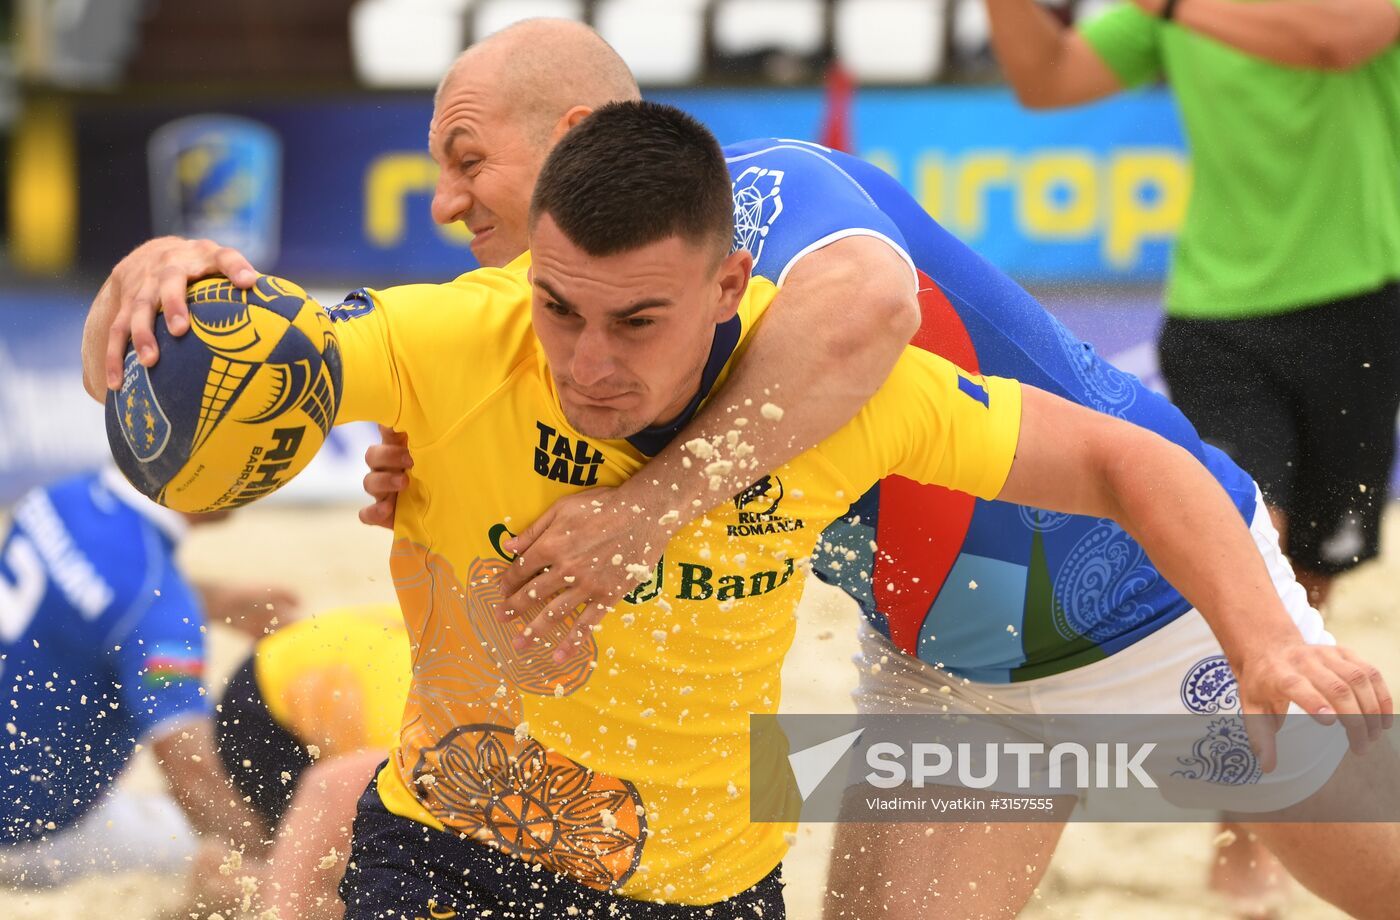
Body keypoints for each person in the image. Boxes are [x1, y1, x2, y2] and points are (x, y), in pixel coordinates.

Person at [89, 20, 1395, 917]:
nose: (446, 197)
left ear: (590, 132)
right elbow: (311, 362)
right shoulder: (558, 322)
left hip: (1156, 603)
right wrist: (183, 278)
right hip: (946, 668)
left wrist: (636, 515)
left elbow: (868, 303)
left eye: (467, 158)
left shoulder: (767, 189)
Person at [980, 1, 1400, 910]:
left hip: (1363, 301)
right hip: (1218, 311)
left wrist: (1173, 7)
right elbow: (1046, 81)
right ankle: (1239, 835)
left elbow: (1338, 41)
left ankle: (1255, 815)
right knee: (1247, 540)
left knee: (1307, 586)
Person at [0, 467, 290, 887]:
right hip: (25, 837)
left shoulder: (62, 496)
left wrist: (206, 598)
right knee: (222, 853)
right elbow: (191, 771)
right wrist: (285, 869)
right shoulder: (157, 610)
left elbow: (93, 600)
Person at [210, 605, 411, 919]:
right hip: (265, 701)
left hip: (334, 649)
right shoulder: (422, 744)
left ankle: (227, 875)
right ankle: (220, 881)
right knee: (344, 877)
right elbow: (326, 785)